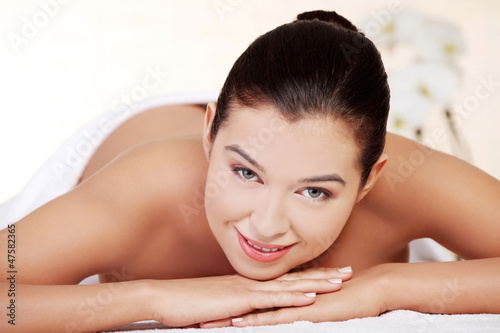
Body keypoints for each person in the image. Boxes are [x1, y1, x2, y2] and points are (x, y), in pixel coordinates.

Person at [1, 9, 500, 332]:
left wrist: (388, 286)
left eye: (315, 193)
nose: (265, 225)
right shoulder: (144, 191)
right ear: (211, 135)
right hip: (160, 137)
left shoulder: (407, 180)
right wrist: (154, 298)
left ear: (370, 179)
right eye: (245, 175)